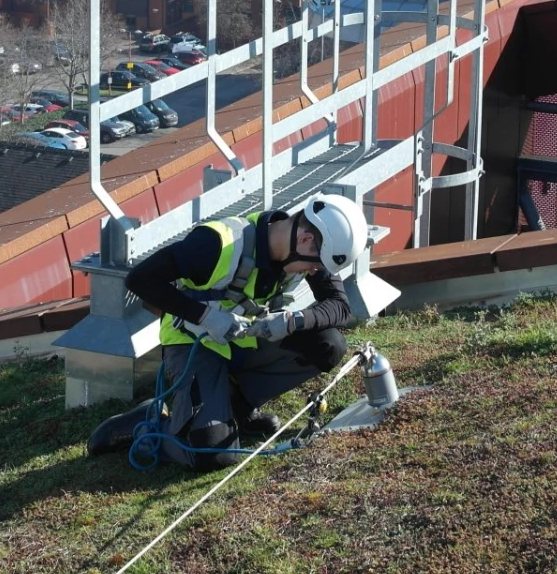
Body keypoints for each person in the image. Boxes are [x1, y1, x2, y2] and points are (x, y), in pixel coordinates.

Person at [87, 196, 369, 470]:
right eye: (315, 265)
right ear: (305, 239)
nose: (314, 271)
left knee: (328, 345)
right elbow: (140, 280)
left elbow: (339, 307)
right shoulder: (217, 244)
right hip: (193, 343)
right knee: (212, 453)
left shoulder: (308, 249)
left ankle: (236, 410)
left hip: (244, 340)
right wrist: (207, 317)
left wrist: (293, 321)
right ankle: (147, 425)